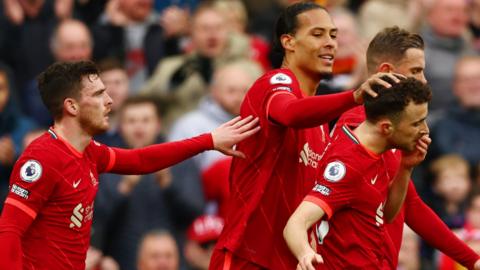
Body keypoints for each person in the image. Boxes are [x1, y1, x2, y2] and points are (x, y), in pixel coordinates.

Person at [0, 60, 260, 270]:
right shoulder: (42, 158)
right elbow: (9, 229)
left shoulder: (89, 151)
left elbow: (140, 160)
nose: (110, 101)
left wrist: (209, 140)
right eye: (100, 94)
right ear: (72, 106)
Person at [211, 2, 399, 269]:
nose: (330, 43)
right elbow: (289, 113)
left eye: (333, 35)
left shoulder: (320, 125)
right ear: (288, 41)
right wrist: (354, 96)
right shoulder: (273, 83)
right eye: (317, 34)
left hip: (295, 262)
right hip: (249, 258)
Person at [332, 26, 480, 269]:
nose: (423, 80)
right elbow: (320, 204)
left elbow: (410, 206)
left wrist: (472, 260)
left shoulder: (397, 130)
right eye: (416, 71)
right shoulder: (356, 127)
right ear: (387, 73)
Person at [284, 77, 431, 269]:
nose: (424, 131)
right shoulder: (347, 165)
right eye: (416, 124)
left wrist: (405, 168)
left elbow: (387, 215)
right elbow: (295, 223)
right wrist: (305, 254)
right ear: (386, 127)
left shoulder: (378, 153)